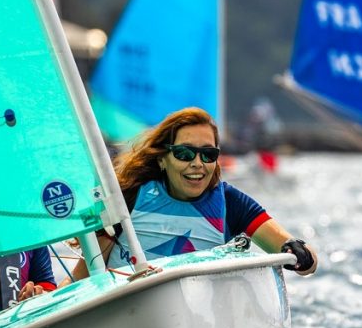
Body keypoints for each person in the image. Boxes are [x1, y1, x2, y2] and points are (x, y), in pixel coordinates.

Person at [67, 107, 318, 281]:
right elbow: (83, 278)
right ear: (163, 159)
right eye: (184, 154)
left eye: (208, 154)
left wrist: (302, 255)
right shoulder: (128, 197)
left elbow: (301, 258)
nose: (197, 163)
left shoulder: (229, 202)